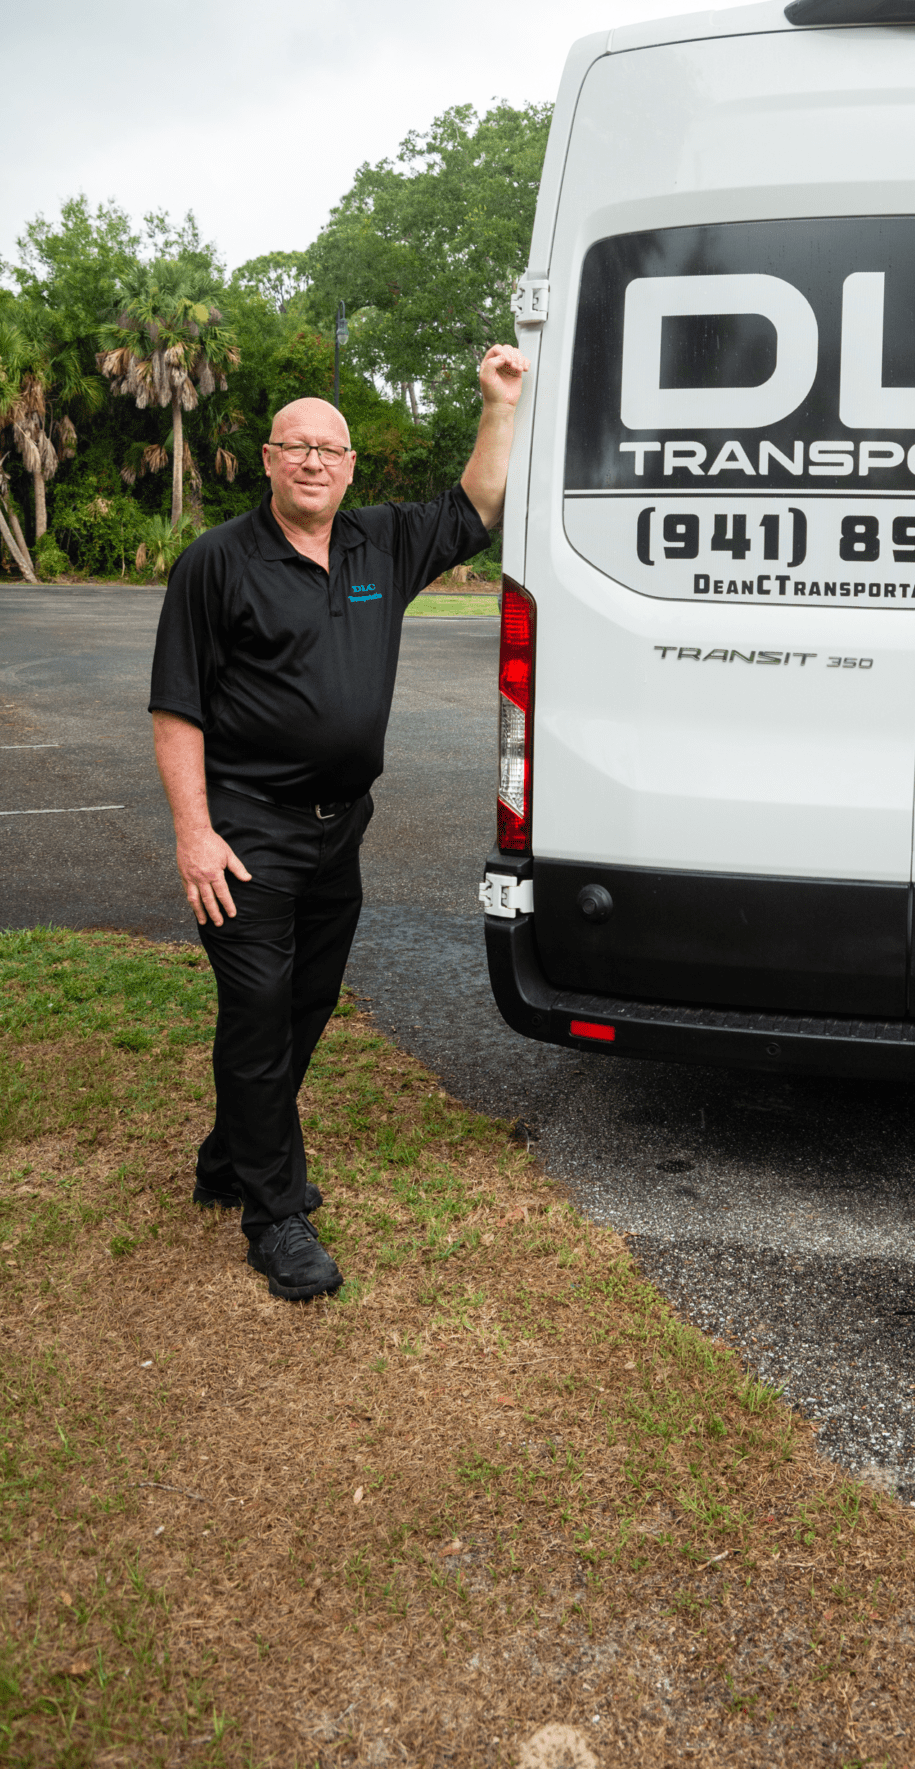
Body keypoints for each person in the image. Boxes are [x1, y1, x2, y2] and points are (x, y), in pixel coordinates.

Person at [148, 344, 528, 1300]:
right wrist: (196, 833)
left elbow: (477, 504)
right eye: (296, 446)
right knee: (259, 1009)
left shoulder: (378, 545)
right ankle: (274, 1214)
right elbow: (177, 707)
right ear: (267, 459)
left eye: (331, 448)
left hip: (338, 829)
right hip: (246, 832)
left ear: (351, 466)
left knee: (307, 1004)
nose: (314, 461)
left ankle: (231, 1156)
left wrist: (499, 404)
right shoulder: (217, 563)